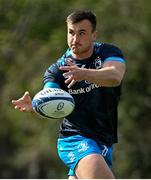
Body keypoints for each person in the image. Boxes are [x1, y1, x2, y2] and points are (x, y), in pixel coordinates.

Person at [12, 10, 126, 179]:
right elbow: (49, 97)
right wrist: (36, 106)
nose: (75, 39)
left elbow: (115, 76)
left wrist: (84, 73)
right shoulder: (57, 70)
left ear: (94, 35)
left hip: (104, 140)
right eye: (71, 32)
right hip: (74, 139)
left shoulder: (108, 53)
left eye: (81, 33)